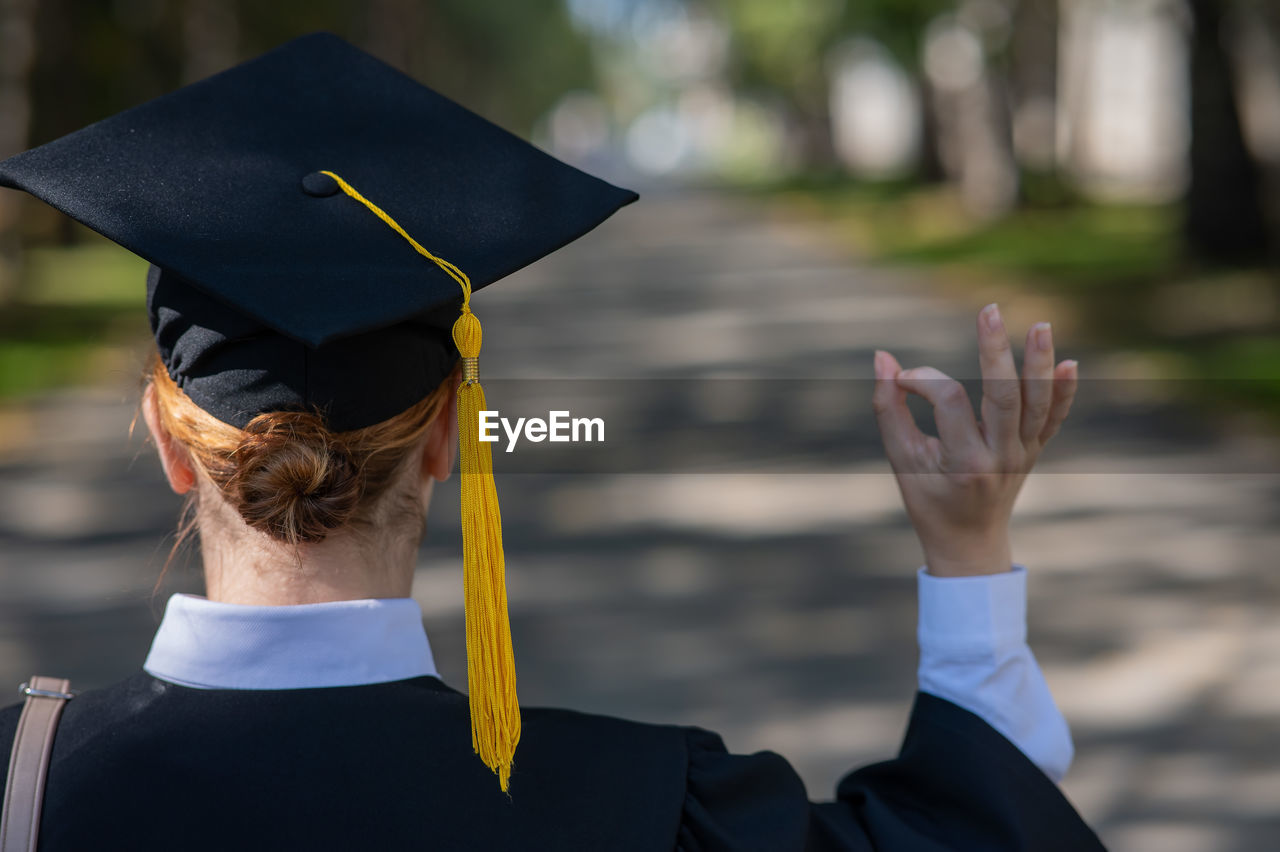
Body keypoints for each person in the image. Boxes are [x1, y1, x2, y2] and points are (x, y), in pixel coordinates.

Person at [0, 32, 1104, 851]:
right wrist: (968, 554)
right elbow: (974, 835)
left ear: (168, 441)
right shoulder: (642, 807)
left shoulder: (22, 789)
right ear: (447, 436)